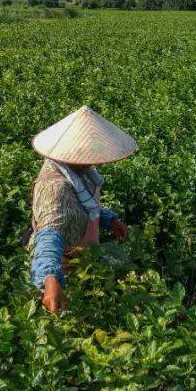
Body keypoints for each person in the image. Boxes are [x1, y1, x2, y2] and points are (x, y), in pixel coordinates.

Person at [26, 106, 135, 314]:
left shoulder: (78, 170)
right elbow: (49, 237)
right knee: (68, 313)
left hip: (83, 257)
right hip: (61, 264)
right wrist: (50, 281)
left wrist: (109, 220)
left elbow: (80, 206)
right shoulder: (54, 187)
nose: (94, 160)